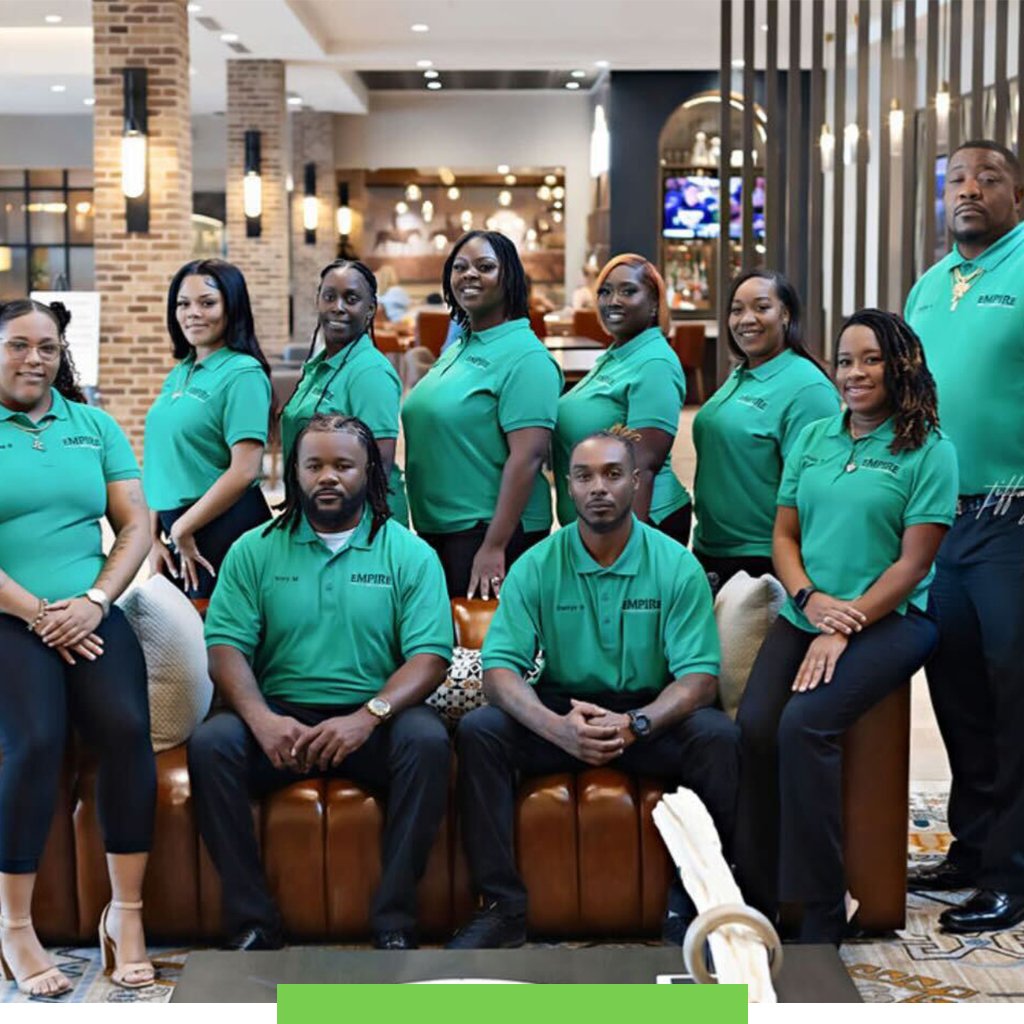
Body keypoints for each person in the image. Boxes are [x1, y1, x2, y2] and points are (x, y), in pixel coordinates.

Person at [449, 429, 739, 948]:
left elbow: (698, 678)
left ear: (636, 481)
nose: (598, 487)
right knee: (481, 731)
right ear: (568, 486)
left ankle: (691, 906)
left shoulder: (676, 564)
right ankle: (503, 907)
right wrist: (556, 728)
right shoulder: (537, 564)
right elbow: (499, 672)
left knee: (717, 737)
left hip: (647, 715)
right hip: (563, 712)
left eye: (612, 474)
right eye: (584, 476)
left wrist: (637, 723)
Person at [188, 414, 453, 952]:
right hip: (280, 718)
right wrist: (261, 720)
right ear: (295, 473)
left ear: (370, 472)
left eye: (342, 465)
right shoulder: (254, 549)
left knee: (428, 741)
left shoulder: (409, 553)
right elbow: (225, 648)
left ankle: (394, 920)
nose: (327, 476)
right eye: (314, 465)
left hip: (374, 719)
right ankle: (253, 922)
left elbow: (429, 658)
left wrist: (368, 717)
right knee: (212, 744)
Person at [734, 310, 957, 944]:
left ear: (900, 366)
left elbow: (914, 564)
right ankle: (757, 896)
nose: (854, 373)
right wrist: (809, 600)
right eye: (844, 361)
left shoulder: (930, 450)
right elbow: (784, 535)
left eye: (870, 360)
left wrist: (844, 624)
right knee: (754, 729)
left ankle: (820, 912)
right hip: (807, 610)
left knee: (805, 725)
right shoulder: (814, 437)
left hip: (895, 618)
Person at [0, 300, 156, 995]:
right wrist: (40, 615)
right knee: (35, 739)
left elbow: (136, 524)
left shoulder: (93, 426)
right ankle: (13, 926)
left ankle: (126, 915)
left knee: (125, 727)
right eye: (18, 345)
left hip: (89, 612)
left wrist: (95, 601)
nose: (34, 359)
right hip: (9, 618)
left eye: (48, 347)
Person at [903, 139, 1024, 933]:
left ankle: (1012, 871)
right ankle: (974, 849)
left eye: (988, 178)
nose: (969, 190)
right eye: (957, 180)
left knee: (1013, 695)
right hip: (941, 517)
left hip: (1013, 516)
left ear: (1018, 194)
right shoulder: (930, 283)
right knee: (957, 690)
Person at [402, 230, 562, 599]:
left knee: (480, 637)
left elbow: (528, 457)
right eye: (459, 267)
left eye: (485, 266)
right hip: (441, 526)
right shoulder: (462, 343)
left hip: (489, 532)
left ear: (510, 279)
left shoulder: (527, 357)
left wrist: (494, 545)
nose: (469, 274)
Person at [692, 270, 839, 592]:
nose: (746, 319)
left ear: (786, 314)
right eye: (737, 310)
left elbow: (811, 492)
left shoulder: (808, 388)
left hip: (761, 561)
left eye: (761, 307)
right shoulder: (743, 372)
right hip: (711, 550)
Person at [144, 259, 273, 598]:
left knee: (215, 628)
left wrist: (183, 528)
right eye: (183, 304)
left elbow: (245, 470)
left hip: (223, 525)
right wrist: (152, 537)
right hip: (178, 529)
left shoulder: (243, 374)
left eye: (207, 303)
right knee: (176, 627)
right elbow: (164, 457)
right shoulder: (181, 372)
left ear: (232, 307)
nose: (193, 313)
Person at [553, 254, 692, 545]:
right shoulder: (618, 355)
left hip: (642, 524)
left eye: (628, 291)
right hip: (596, 528)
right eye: (605, 292)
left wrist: (626, 550)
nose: (613, 301)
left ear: (654, 303)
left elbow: (643, 466)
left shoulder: (655, 363)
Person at [280, 259, 408, 525]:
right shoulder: (319, 365)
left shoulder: (370, 372)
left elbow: (380, 465)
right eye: (329, 297)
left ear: (370, 309)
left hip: (361, 521)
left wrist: (344, 534)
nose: (338, 307)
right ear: (318, 301)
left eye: (351, 299)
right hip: (319, 511)